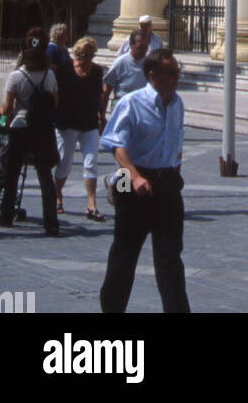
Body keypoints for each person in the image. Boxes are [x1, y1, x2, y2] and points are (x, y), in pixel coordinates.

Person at [99, 48, 190, 314]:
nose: (177, 77)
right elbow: (115, 144)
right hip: (132, 180)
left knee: (170, 258)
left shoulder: (177, 104)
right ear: (153, 75)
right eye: (172, 73)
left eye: (178, 72)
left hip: (167, 183)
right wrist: (136, 177)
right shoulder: (131, 102)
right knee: (124, 255)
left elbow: (175, 143)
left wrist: (175, 172)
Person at [0, 29, 60, 235]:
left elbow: (6, 108)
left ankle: (6, 217)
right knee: (45, 177)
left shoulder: (16, 76)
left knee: (12, 173)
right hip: (42, 130)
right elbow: (55, 104)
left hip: (20, 128)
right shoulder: (49, 75)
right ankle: (51, 223)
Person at [54, 36, 106, 221]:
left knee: (91, 162)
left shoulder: (97, 71)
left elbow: (100, 95)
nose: (86, 60)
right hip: (67, 122)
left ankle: (91, 204)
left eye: (90, 56)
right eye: (83, 56)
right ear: (76, 54)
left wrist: (102, 115)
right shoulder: (64, 71)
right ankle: (57, 196)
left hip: (89, 122)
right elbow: (57, 96)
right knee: (65, 163)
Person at [102, 29, 149, 114]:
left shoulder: (149, 64)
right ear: (131, 44)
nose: (144, 50)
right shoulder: (120, 63)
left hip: (142, 109)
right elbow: (106, 92)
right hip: (122, 108)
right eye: (140, 47)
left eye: (146, 46)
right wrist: (101, 116)